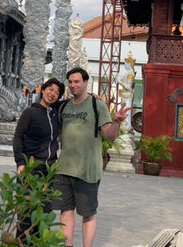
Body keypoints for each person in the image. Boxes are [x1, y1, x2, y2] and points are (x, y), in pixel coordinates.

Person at [54, 67, 130, 247]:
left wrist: (117, 121)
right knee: (65, 212)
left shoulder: (98, 105)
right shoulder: (63, 106)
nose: (73, 85)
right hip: (64, 168)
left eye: (77, 81)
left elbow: (109, 136)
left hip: (87, 169)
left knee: (88, 213)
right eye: (70, 82)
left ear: (86, 82)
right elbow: (56, 133)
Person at [13, 77, 65, 243]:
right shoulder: (30, 112)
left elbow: (74, 101)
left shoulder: (55, 112)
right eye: (50, 89)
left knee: (44, 214)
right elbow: (18, 137)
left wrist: (93, 97)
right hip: (31, 169)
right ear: (43, 90)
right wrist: (20, 162)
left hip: (48, 172)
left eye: (57, 93)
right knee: (26, 214)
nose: (52, 94)